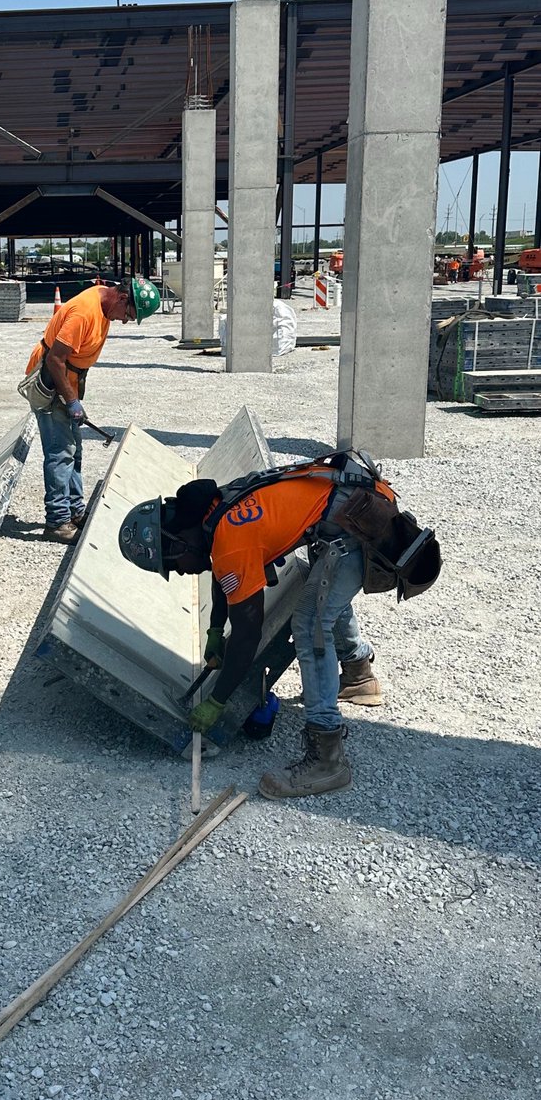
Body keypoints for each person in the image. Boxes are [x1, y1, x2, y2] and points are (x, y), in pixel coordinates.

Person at [117, 459, 395, 800]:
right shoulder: (216, 510)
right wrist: (216, 630)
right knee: (322, 592)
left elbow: (249, 633)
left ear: (177, 543)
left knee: (309, 625)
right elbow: (222, 573)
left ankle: (327, 758)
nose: (180, 572)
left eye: (173, 566)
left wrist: (218, 701)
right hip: (355, 505)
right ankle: (359, 675)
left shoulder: (231, 542)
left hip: (364, 524)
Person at [22, 276, 160, 542]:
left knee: (74, 450)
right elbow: (55, 359)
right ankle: (57, 521)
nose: (124, 321)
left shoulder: (103, 299)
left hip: (66, 384)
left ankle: (75, 511)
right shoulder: (84, 312)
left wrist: (74, 397)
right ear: (122, 298)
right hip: (51, 383)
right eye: (128, 315)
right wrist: (71, 400)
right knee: (60, 453)